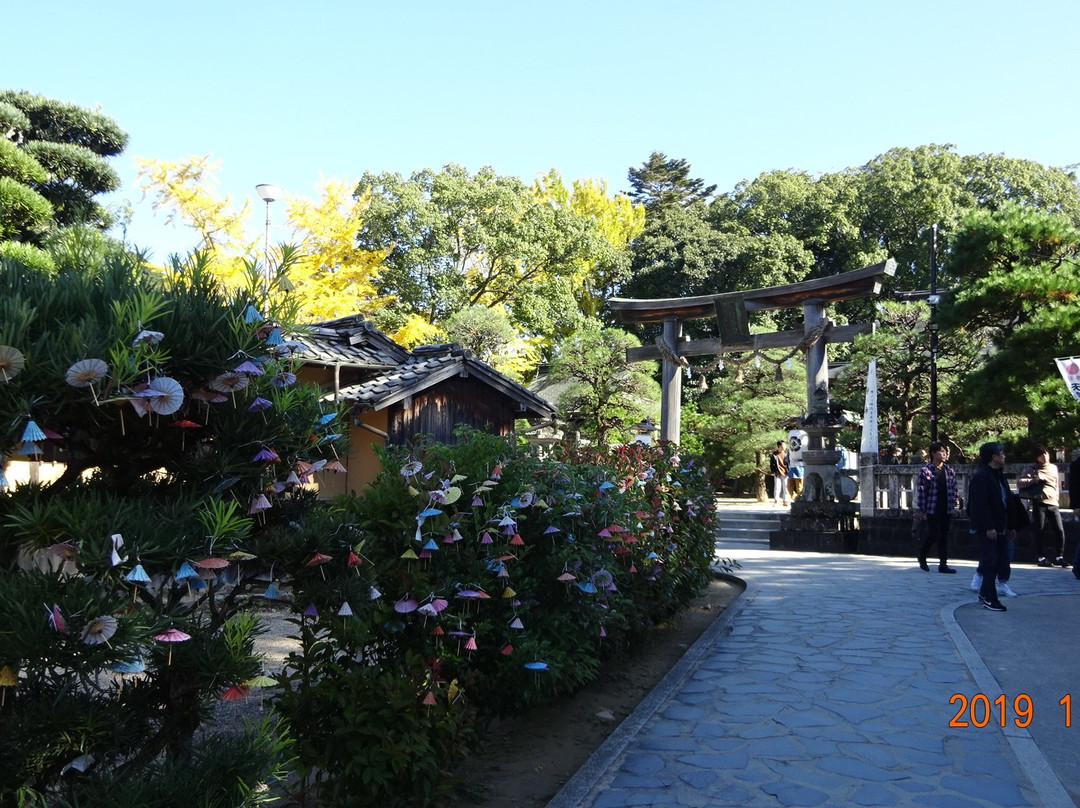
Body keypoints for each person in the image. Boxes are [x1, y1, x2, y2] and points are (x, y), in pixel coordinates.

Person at [967, 442, 1010, 612]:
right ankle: (991, 598)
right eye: (1001, 453)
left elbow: (1006, 501)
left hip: (1001, 524)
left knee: (997, 559)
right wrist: (989, 526)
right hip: (988, 527)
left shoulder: (998, 475)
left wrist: (1011, 524)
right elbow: (980, 505)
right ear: (994, 456)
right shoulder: (981, 476)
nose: (1004, 456)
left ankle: (985, 593)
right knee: (991, 560)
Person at [1018, 445, 1066, 568]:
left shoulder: (1053, 468)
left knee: (1059, 530)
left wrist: (1057, 498)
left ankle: (1059, 556)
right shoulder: (1032, 469)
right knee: (1039, 530)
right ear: (1036, 457)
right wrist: (1035, 480)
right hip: (1039, 502)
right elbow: (1020, 483)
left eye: (1045, 454)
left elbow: (1056, 484)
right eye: (1040, 455)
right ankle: (1041, 557)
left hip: (1053, 502)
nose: (1044, 457)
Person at [914, 441, 958, 573]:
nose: (944, 454)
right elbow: (922, 491)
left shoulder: (949, 470)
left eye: (945, 452)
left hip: (947, 506)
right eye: (941, 451)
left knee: (944, 535)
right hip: (933, 507)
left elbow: (954, 488)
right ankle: (922, 555)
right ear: (933, 453)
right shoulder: (926, 471)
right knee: (934, 533)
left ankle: (943, 564)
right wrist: (922, 509)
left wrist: (955, 501)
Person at [769, 440, 788, 505]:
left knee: (786, 487)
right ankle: (776, 501)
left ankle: (785, 501)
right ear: (779, 446)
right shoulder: (774, 455)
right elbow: (771, 464)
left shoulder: (786, 454)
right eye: (783, 445)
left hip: (785, 473)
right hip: (777, 473)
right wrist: (773, 471)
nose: (785, 446)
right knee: (777, 487)